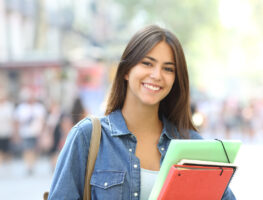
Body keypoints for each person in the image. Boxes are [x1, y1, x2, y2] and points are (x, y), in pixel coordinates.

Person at [48, 25, 236, 200]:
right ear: (126, 71)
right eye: (147, 63)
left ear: (175, 79)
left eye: (168, 68)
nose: (156, 75)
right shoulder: (87, 137)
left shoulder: (193, 145)